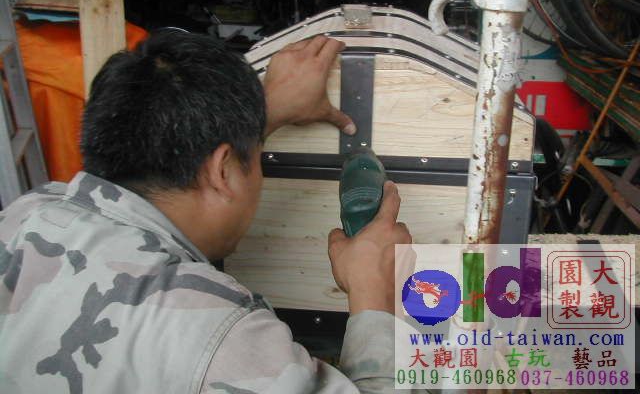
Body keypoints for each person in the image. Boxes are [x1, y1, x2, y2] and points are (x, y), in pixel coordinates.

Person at [0, 30, 412, 393]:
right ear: (222, 170)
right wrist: (372, 292)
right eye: (257, 160)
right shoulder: (220, 337)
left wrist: (252, 121)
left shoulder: (27, 214)